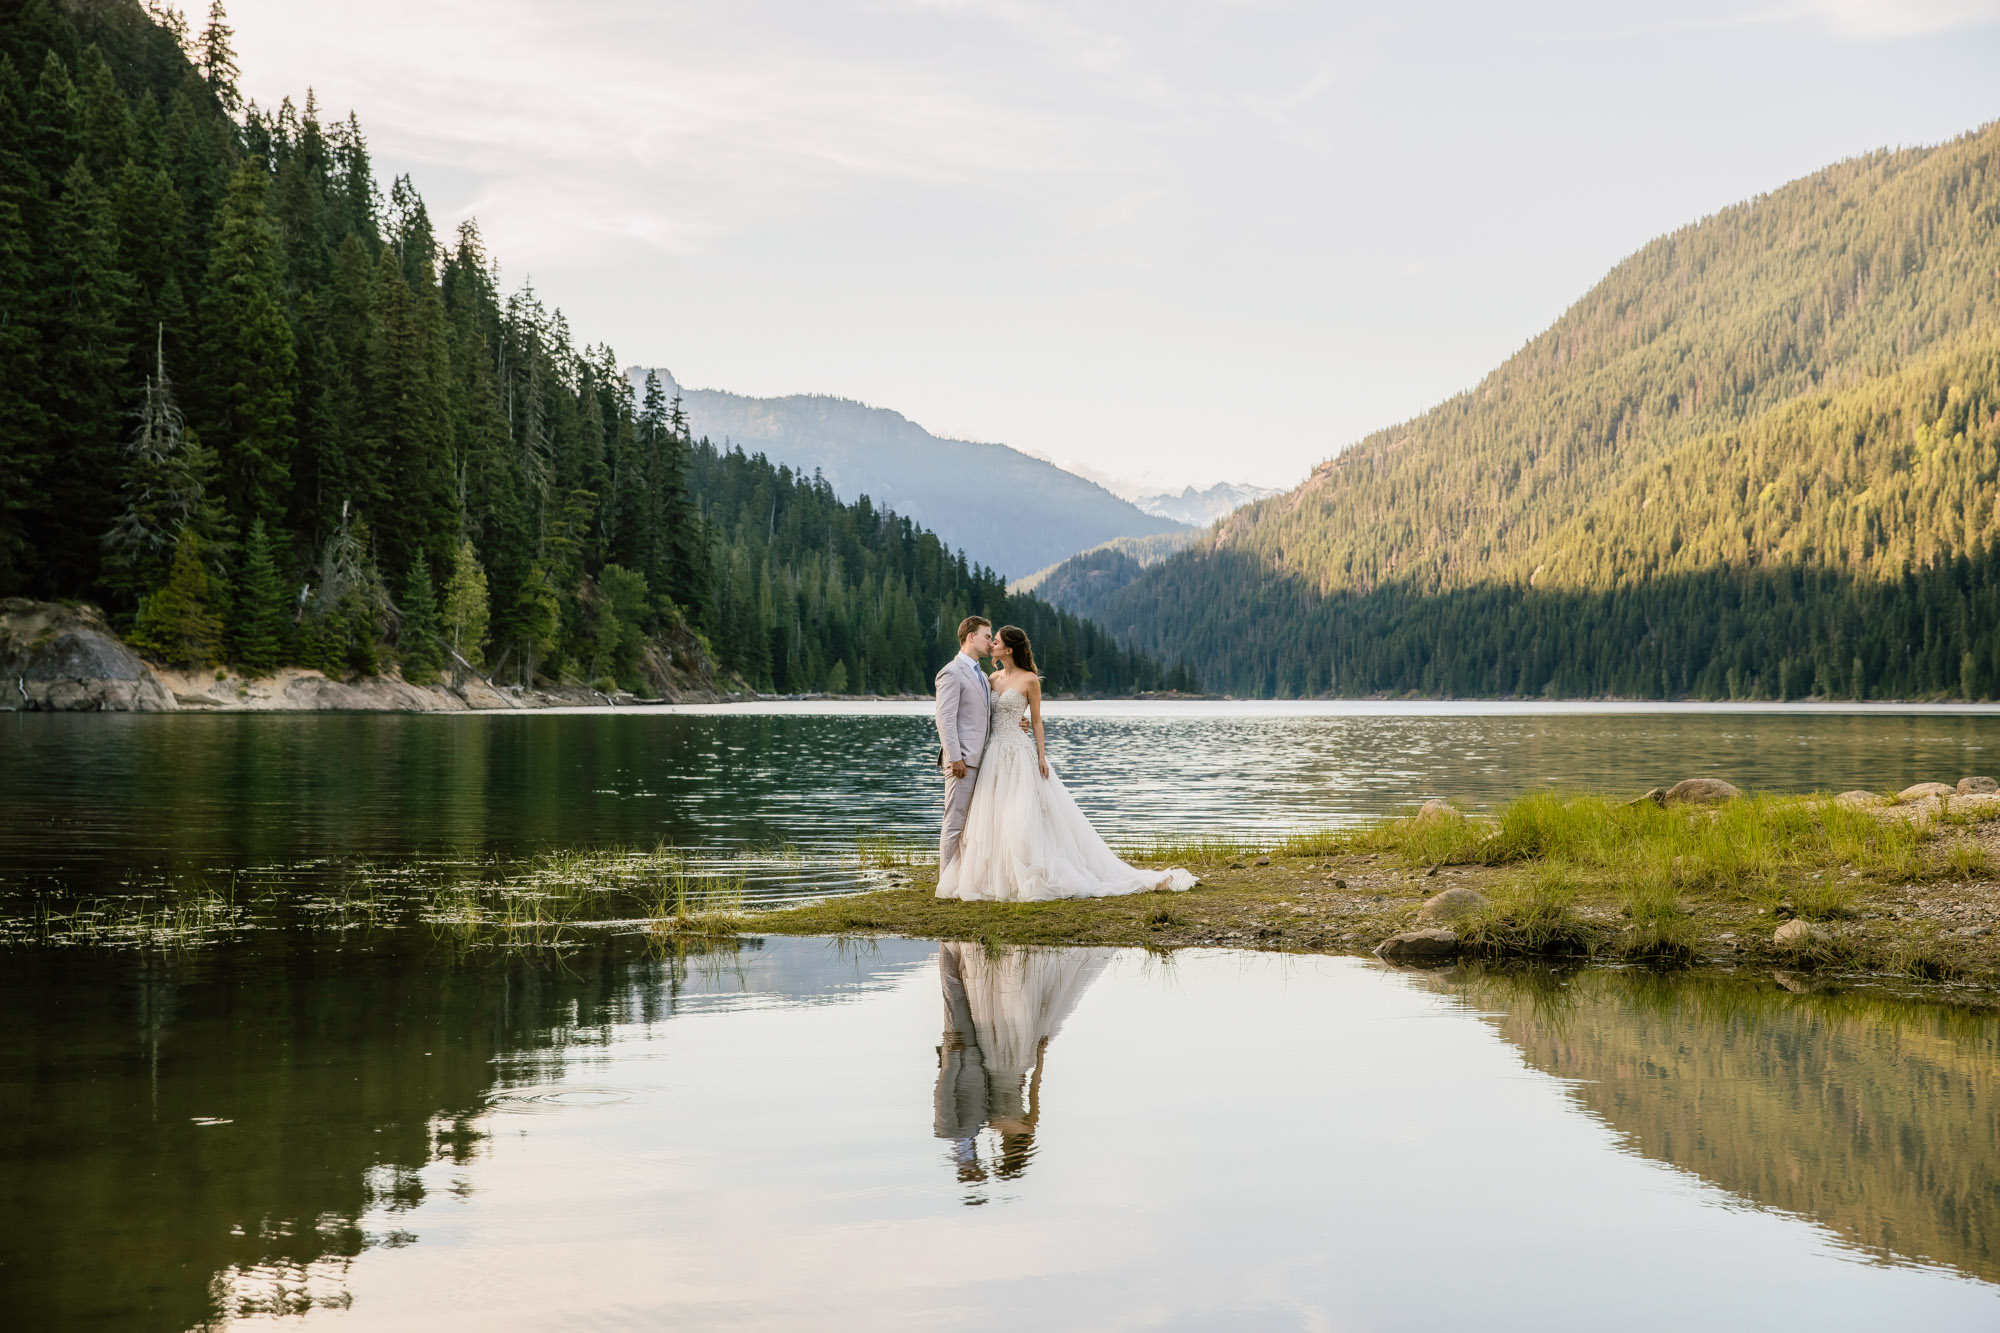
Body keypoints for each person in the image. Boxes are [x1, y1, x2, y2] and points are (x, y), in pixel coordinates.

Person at [935, 624, 1196, 901]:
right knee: (991, 818)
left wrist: (1041, 754)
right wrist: (960, 752)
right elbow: (977, 715)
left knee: (1022, 815)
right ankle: (988, 875)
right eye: (990, 638)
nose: (991, 644)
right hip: (992, 754)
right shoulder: (990, 679)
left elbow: (1036, 719)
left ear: (1008, 649)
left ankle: (1027, 872)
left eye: (995, 641)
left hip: (1019, 754)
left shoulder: (1030, 680)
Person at [934, 616, 995, 872]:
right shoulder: (951, 671)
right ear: (971, 637)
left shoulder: (981, 674)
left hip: (983, 760)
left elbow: (986, 714)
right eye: (987, 636)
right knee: (955, 821)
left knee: (973, 823)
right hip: (962, 762)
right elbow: (944, 718)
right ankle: (946, 879)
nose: (991, 643)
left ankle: (965, 875)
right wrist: (955, 757)